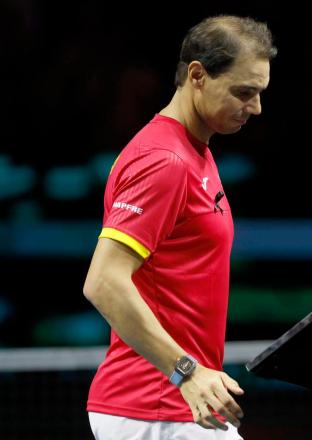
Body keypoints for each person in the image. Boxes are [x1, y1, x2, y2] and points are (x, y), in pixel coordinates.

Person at [83, 15, 276, 440]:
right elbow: (103, 281)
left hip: (179, 405)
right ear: (197, 75)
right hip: (154, 407)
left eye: (260, 94)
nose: (256, 108)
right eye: (244, 93)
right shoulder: (164, 161)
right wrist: (186, 372)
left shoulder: (194, 152)